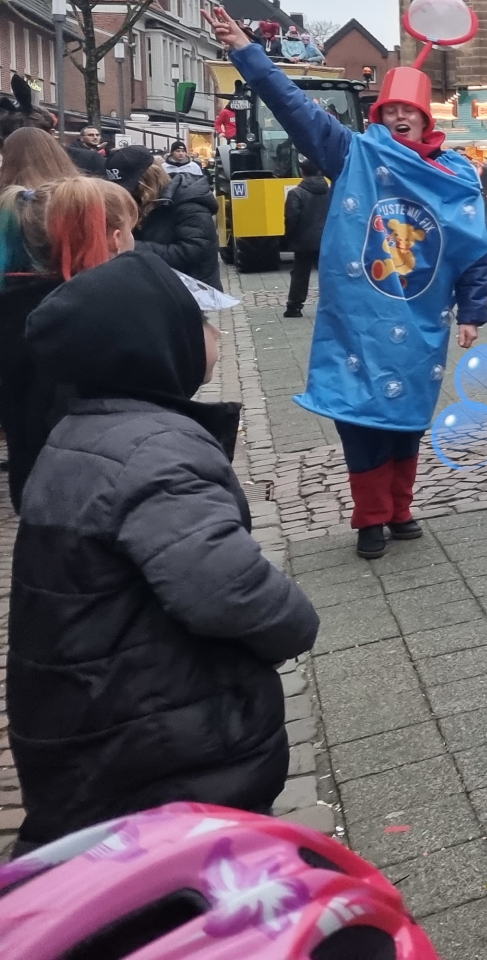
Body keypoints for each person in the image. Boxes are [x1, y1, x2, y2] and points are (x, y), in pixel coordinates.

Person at [10, 251, 319, 847]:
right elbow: (224, 586)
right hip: (161, 738)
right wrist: (294, 621)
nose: (216, 334)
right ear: (154, 341)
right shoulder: (154, 451)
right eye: (201, 322)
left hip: (99, 717)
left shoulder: (87, 430)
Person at [208, 2, 487, 560]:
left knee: (407, 417)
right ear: (378, 116)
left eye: (411, 110)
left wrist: (473, 311)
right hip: (359, 320)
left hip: (420, 320)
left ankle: (401, 506)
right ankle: (370, 517)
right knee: (358, 416)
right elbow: (295, 110)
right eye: (391, 110)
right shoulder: (352, 153)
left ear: (427, 117)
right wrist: (248, 53)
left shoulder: (454, 176)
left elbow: (472, 249)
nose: (401, 117)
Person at [1, 176, 140, 507]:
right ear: (114, 239)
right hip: (95, 492)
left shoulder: (16, 305)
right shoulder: (86, 316)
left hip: (35, 485)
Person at [107, 146, 220, 288]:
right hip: (151, 284)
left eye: (131, 187)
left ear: (148, 179)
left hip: (186, 290)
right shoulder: (140, 200)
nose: (126, 194)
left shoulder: (188, 201)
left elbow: (194, 252)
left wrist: (129, 246)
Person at [282, 156, 330, 318]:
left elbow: (291, 218)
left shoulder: (296, 193)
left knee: (300, 275)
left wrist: (289, 237)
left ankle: (294, 307)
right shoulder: (330, 192)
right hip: (326, 240)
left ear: (302, 172)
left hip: (303, 241)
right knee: (327, 273)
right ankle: (332, 305)